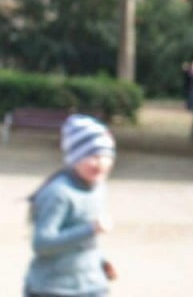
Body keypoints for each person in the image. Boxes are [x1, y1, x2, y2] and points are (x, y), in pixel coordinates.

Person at [24, 114, 118, 297]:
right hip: (53, 288)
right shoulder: (59, 193)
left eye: (106, 156)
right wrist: (90, 229)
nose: (101, 163)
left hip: (91, 284)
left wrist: (100, 262)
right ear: (75, 157)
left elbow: (84, 240)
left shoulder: (97, 187)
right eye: (92, 155)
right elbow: (42, 243)